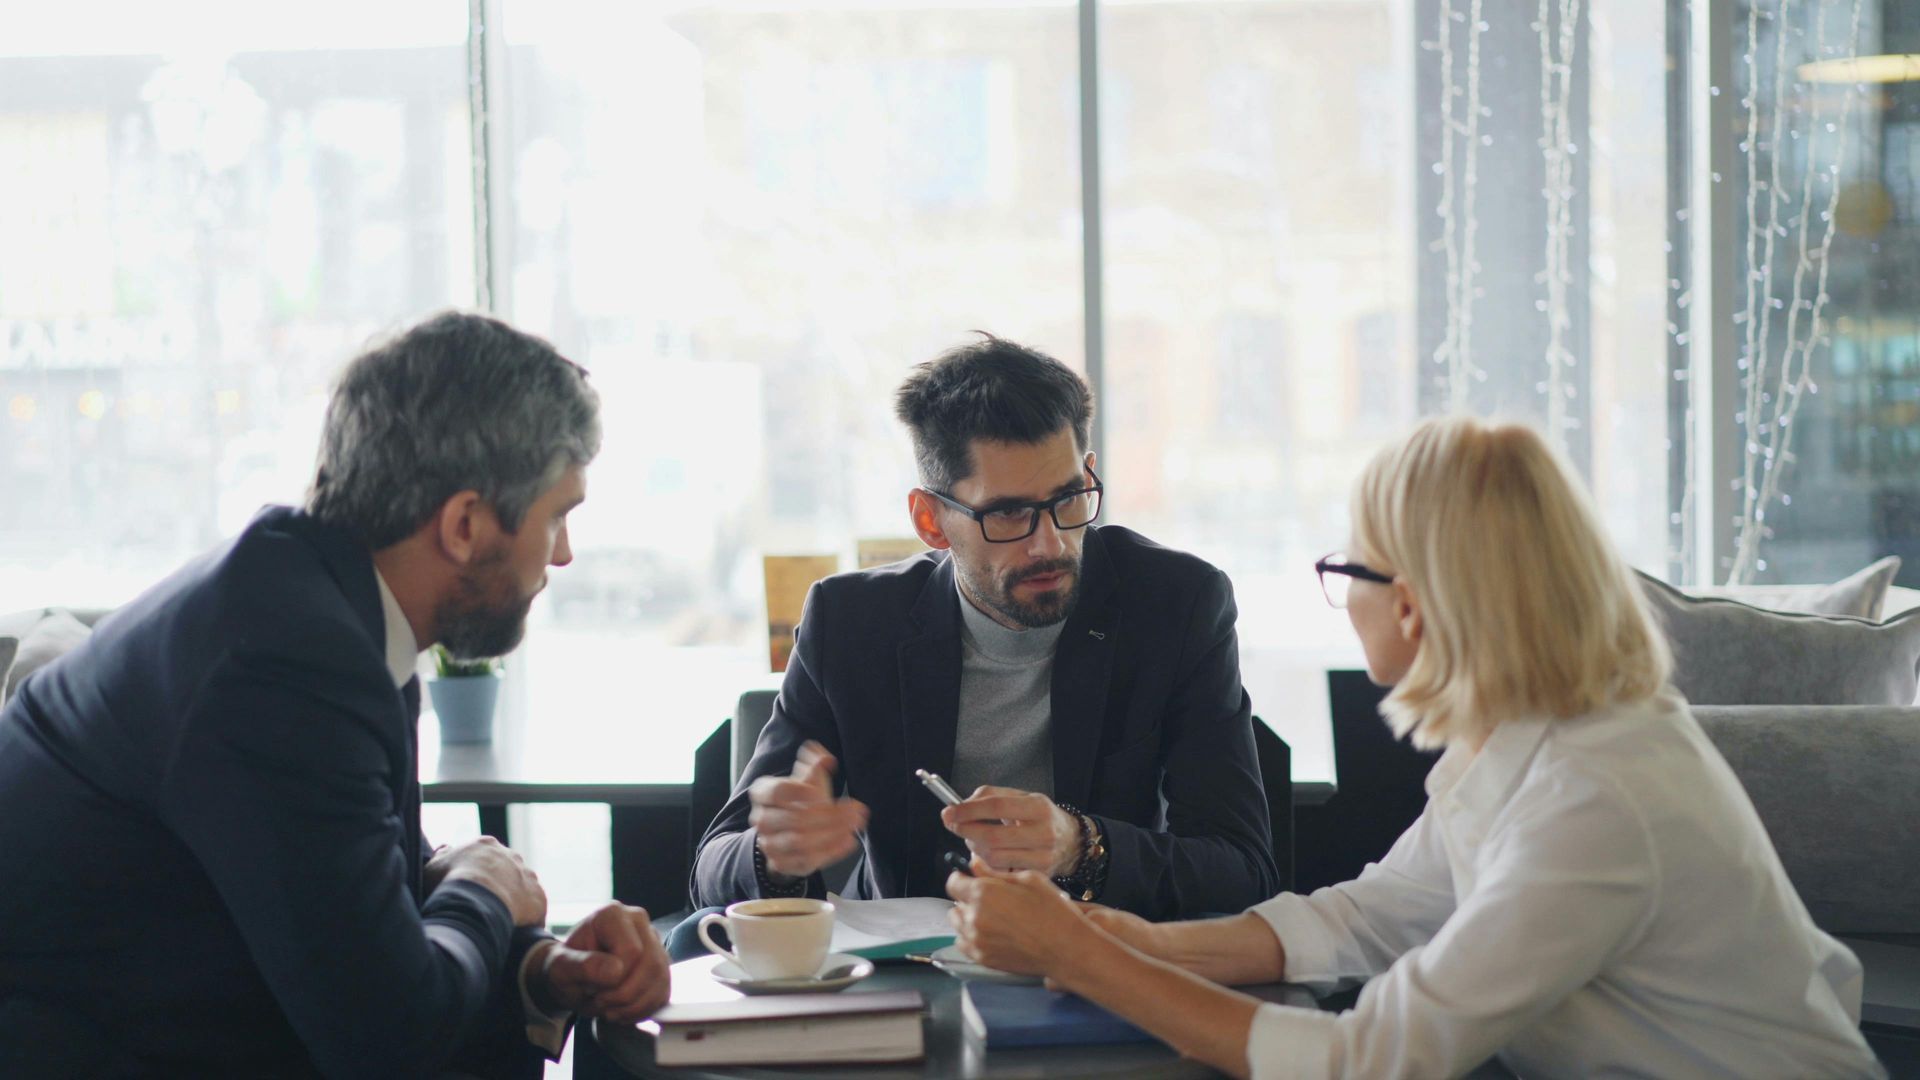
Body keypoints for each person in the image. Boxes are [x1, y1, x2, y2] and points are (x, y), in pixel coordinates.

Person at [946, 417, 1884, 1079]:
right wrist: (1141, 944)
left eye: (1345, 567)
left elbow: (1373, 1059)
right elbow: (1369, 919)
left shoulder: (1599, 794)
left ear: (1411, 602)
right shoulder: (1523, 740)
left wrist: (1083, 958)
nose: (1341, 592)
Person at [0, 313, 671, 1077]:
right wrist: (485, 888)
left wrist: (544, 967)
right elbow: (390, 1032)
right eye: (556, 516)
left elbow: (364, 904)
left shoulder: (307, 601)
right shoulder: (285, 663)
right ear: (464, 524)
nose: (564, 553)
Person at [687, 335, 1278, 934]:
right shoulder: (852, 622)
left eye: (1069, 499)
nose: (1050, 542)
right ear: (931, 520)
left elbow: (1242, 867)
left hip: (1100, 962)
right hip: (911, 975)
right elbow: (711, 869)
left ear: (1089, 474)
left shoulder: (1175, 605)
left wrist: (1080, 845)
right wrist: (775, 853)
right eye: (1007, 514)